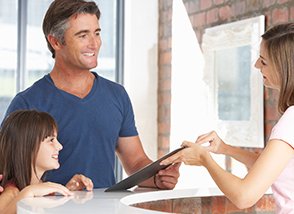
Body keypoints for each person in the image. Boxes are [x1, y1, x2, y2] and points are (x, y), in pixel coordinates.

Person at [4, 0, 180, 189]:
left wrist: (157, 177)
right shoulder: (27, 103)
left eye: (97, 33)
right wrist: (60, 191)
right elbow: (11, 176)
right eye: (82, 35)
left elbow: (136, 161)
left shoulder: (116, 95)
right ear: (55, 41)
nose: (94, 43)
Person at [161, 22, 294, 213]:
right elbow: (271, 167)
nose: (256, 65)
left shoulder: (290, 120)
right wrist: (225, 149)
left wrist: (204, 159)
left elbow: (243, 196)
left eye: (263, 61)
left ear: (285, 68)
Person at [0, 110, 93, 213]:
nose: (60, 146)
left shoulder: (40, 188)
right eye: (51, 140)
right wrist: (29, 191)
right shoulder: (10, 193)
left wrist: (66, 191)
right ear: (27, 147)